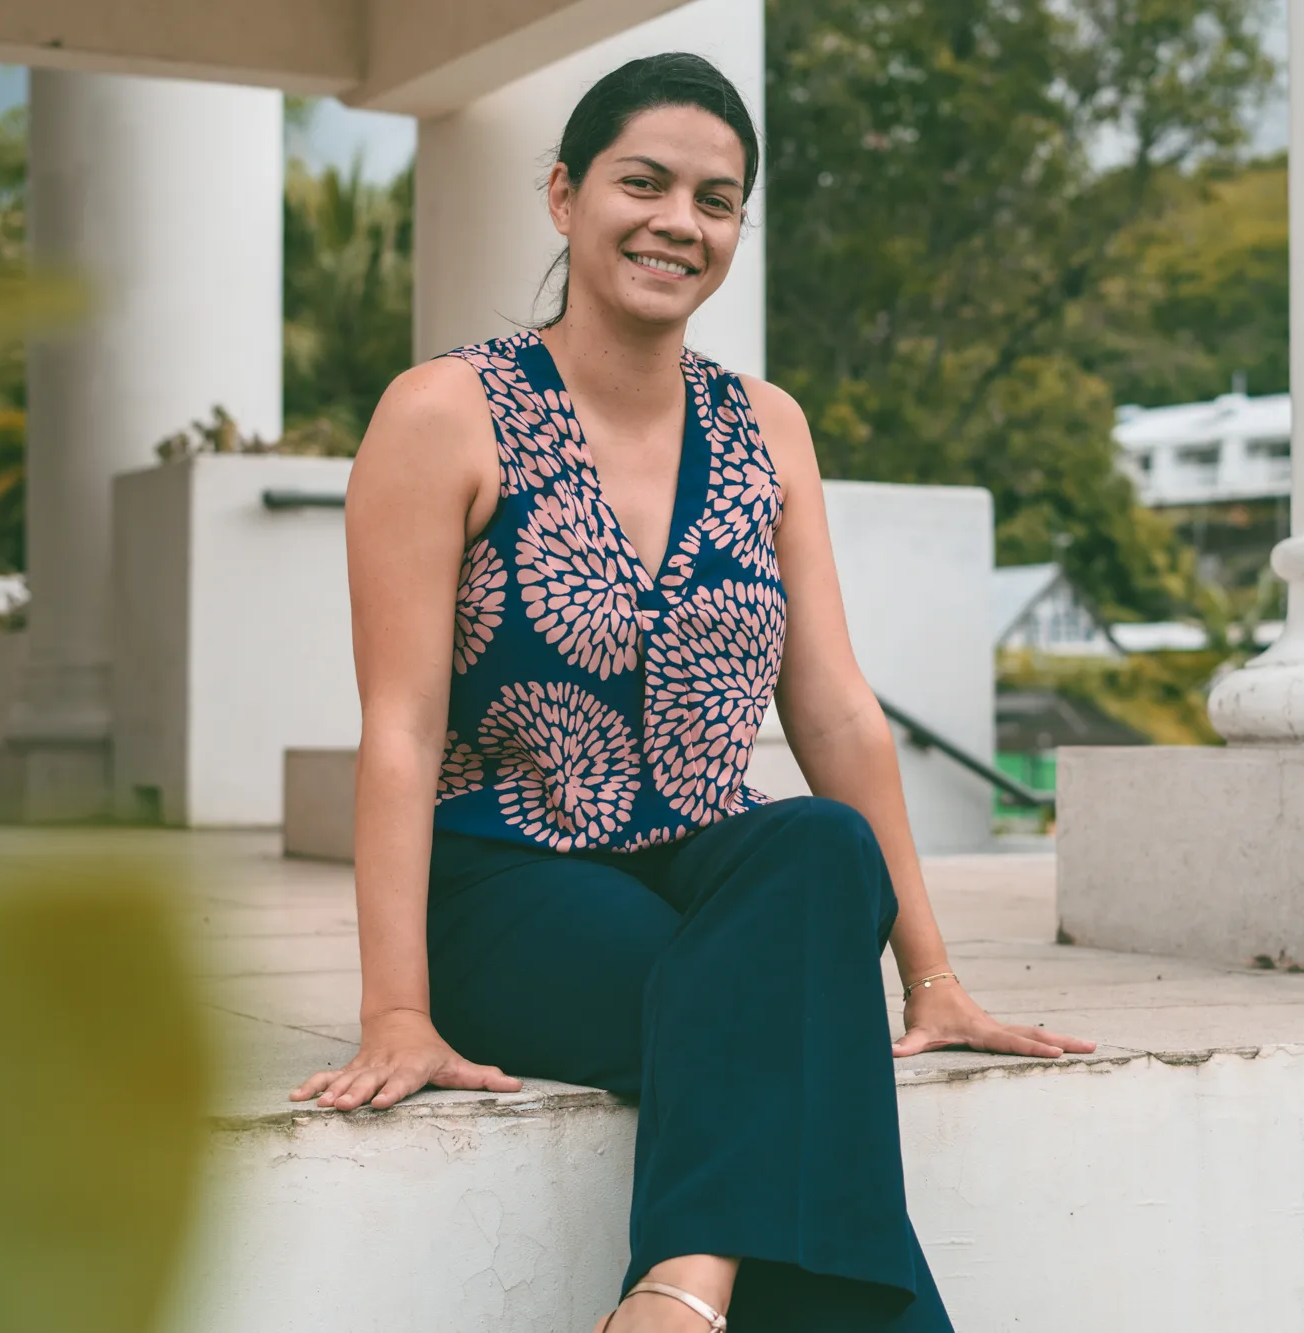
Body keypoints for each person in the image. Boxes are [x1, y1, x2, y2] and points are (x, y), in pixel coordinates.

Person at [290, 52, 1094, 1332]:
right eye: (643, 183)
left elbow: (831, 707)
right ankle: (687, 1290)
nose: (680, 221)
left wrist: (932, 976)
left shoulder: (766, 426)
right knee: (791, 1022)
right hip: (504, 880)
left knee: (820, 846)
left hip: (703, 864)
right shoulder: (446, 412)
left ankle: (677, 1293)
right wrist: (397, 1012)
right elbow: (398, 727)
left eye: (716, 200)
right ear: (563, 194)